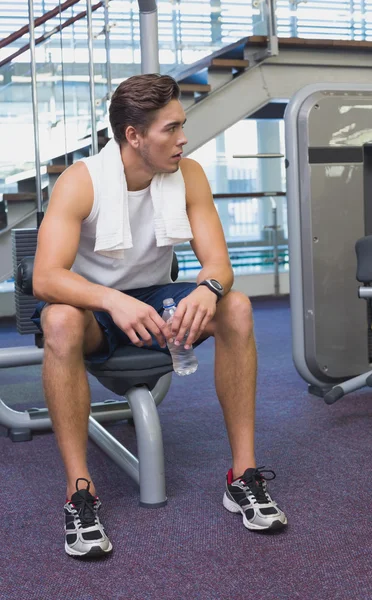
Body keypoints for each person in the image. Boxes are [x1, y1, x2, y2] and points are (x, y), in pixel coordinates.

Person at [32, 73, 287, 559]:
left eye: (182, 125)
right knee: (59, 320)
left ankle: (243, 475)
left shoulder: (188, 175)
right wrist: (110, 299)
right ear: (134, 136)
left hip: (152, 296)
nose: (183, 138)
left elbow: (219, 267)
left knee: (235, 306)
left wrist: (208, 291)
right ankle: (79, 493)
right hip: (94, 306)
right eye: (170, 128)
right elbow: (45, 277)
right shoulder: (81, 182)